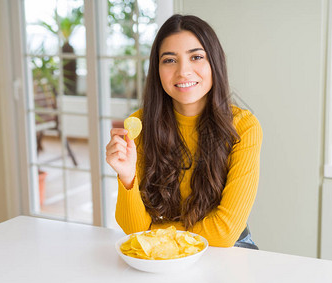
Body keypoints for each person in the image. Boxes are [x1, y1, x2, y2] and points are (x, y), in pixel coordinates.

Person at [105, 14, 262, 248]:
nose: (183, 71)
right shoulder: (137, 126)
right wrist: (127, 177)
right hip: (161, 252)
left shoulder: (243, 127)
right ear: (157, 68)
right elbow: (134, 230)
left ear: (215, 62)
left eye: (196, 57)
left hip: (227, 249)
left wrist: (155, 232)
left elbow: (226, 232)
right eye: (169, 60)